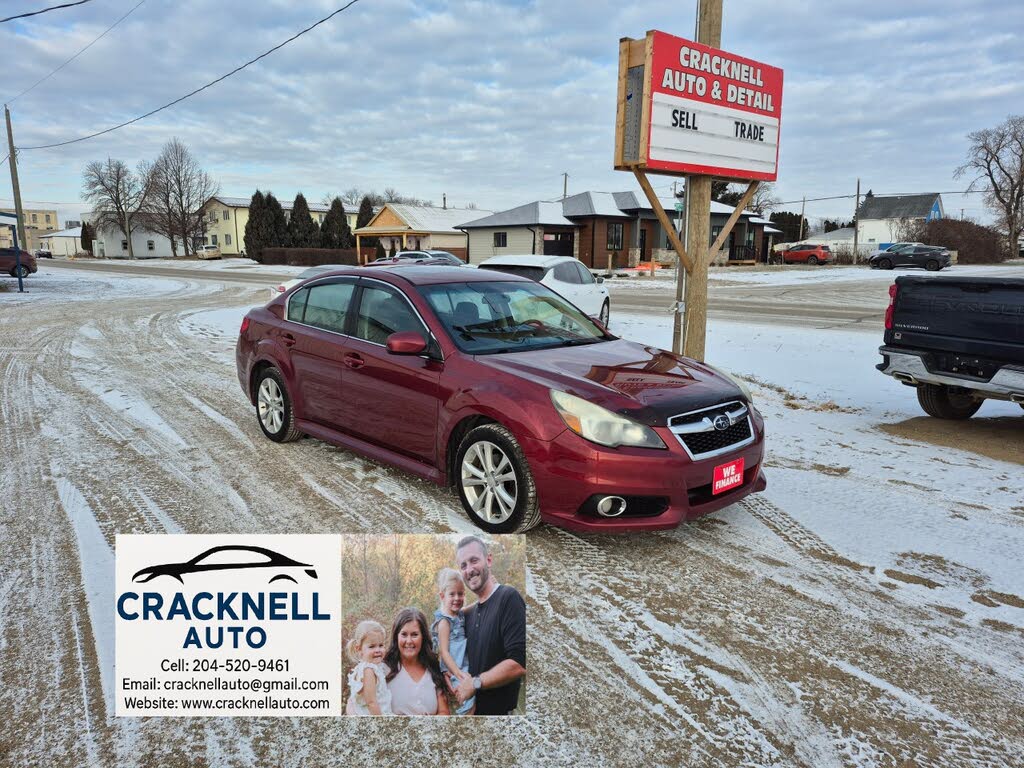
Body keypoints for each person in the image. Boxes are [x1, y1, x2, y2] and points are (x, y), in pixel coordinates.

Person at [454, 535, 527, 715]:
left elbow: (519, 662)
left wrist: (475, 683)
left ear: (488, 560)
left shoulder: (508, 598)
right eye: (463, 565)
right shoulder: (469, 615)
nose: (469, 569)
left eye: (474, 561)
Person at [385, 607, 450, 716]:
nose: (409, 641)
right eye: (404, 634)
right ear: (396, 636)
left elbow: (444, 712)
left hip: (431, 732)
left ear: (423, 637)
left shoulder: (433, 668)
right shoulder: (383, 669)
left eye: (414, 634)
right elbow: (356, 703)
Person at [431, 568, 475, 715]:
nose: (457, 598)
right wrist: (458, 673)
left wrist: (484, 598)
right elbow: (443, 651)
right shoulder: (444, 622)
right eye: (452, 594)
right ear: (442, 596)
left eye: (460, 594)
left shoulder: (458, 614)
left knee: (473, 698)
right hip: (455, 668)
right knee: (467, 701)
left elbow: (469, 608)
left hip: (463, 665)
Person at [345, 619, 392, 716]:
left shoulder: (370, 667)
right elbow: (371, 702)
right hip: (374, 717)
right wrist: (381, 723)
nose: (378, 650)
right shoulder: (368, 670)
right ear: (359, 649)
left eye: (381, 645)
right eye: (372, 646)